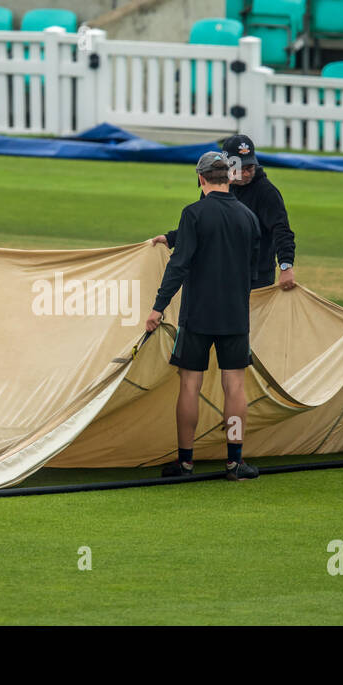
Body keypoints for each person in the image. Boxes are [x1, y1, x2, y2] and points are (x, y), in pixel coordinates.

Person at [146, 151, 261, 481]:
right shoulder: (247, 217)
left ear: (200, 178)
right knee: (235, 387)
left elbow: (179, 265)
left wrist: (158, 306)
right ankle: (235, 461)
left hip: (196, 314)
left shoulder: (193, 213)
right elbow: (253, 271)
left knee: (190, 385)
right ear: (228, 177)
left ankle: (185, 462)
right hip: (236, 315)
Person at [151, 134, 297, 291]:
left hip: (255, 277)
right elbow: (202, 224)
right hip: (221, 273)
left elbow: (281, 230)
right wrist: (170, 238)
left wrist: (286, 265)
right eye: (241, 168)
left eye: (250, 167)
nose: (247, 173)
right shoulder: (214, 186)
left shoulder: (266, 192)